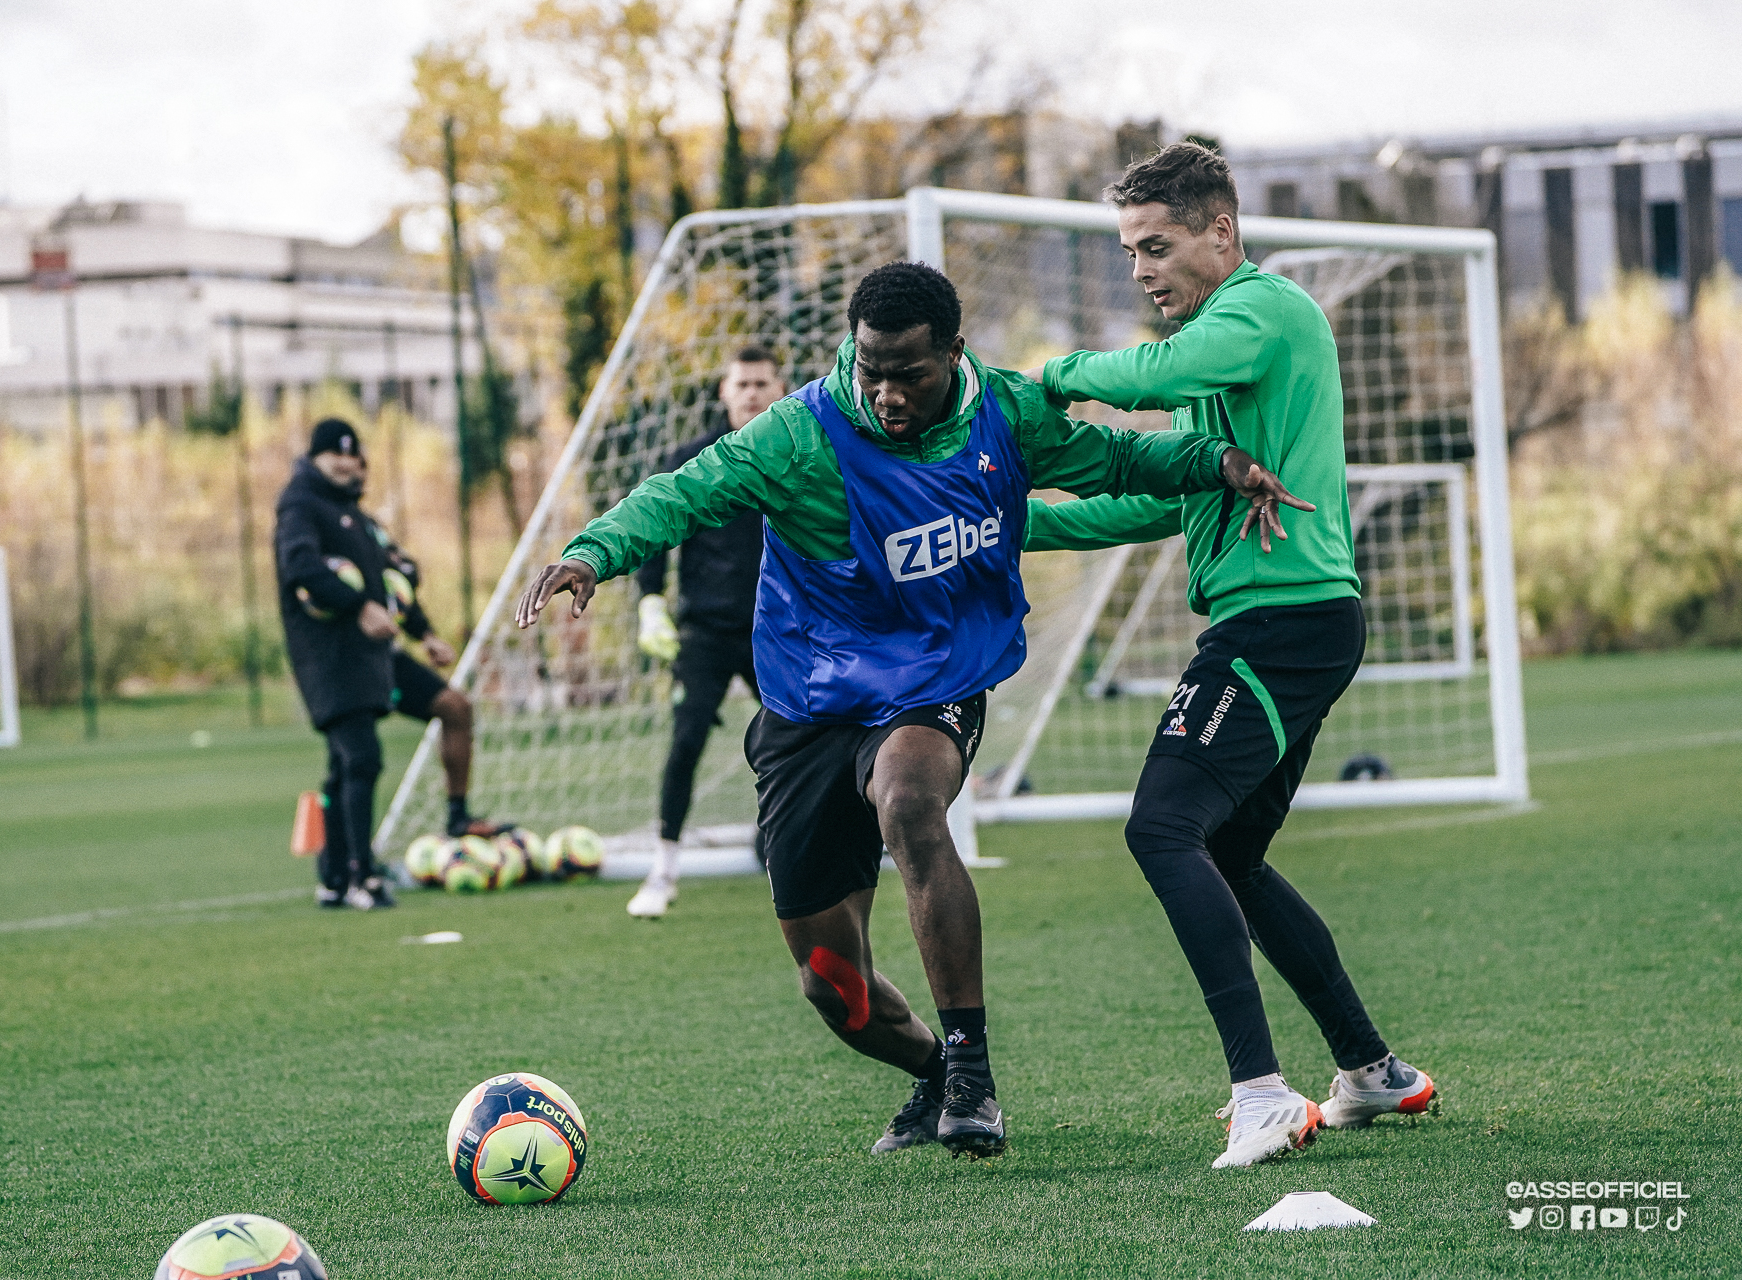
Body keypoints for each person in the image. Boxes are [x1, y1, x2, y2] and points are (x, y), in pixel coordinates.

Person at [515, 262, 1305, 1159]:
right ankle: (932, 1072)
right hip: (811, 700)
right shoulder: (800, 435)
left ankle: (972, 1072)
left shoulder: (1006, 413)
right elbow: (684, 491)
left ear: (954, 355)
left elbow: (1117, 457)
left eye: (909, 375)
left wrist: (1215, 460)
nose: (887, 395)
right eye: (871, 372)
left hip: (937, 678)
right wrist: (594, 552)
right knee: (831, 986)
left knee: (909, 799)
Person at [1026, 143, 1437, 1169]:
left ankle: (1261, 1093)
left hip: (1280, 620)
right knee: (1228, 851)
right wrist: (1010, 524)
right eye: (1127, 252)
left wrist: (1050, 379)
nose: (1141, 271)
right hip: (1287, 623)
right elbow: (1154, 497)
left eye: (1154, 246)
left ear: (1223, 229)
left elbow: (1155, 375)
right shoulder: (1217, 349)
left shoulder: (1264, 312)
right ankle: (1370, 1068)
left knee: (1164, 826)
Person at [627, 346, 786, 919]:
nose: (750, 392)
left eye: (761, 382)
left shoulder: (796, 455)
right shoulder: (692, 460)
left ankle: (778, 845)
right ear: (723, 391)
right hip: (706, 629)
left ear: (779, 388)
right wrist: (650, 601)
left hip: (777, 630)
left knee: (798, 741)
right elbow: (653, 525)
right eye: (740, 382)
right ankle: (663, 868)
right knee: (686, 738)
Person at [273, 418, 400, 911]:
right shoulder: (301, 504)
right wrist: (358, 605)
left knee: (342, 764)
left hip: (361, 656)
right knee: (361, 757)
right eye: (335, 457)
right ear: (316, 459)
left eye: (353, 456)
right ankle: (358, 876)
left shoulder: (348, 509)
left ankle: (333, 875)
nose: (347, 464)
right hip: (327, 655)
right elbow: (300, 567)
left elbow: (389, 573)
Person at [356, 455, 503, 840]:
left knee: (456, 707)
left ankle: (459, 817)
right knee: (356, 756)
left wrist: (425, 634)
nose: (355, 470)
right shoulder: (316, 521)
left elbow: (399, 582)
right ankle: (350, 862)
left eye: (359, 462)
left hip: (385, 657)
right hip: (346, 662)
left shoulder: (368, 526)